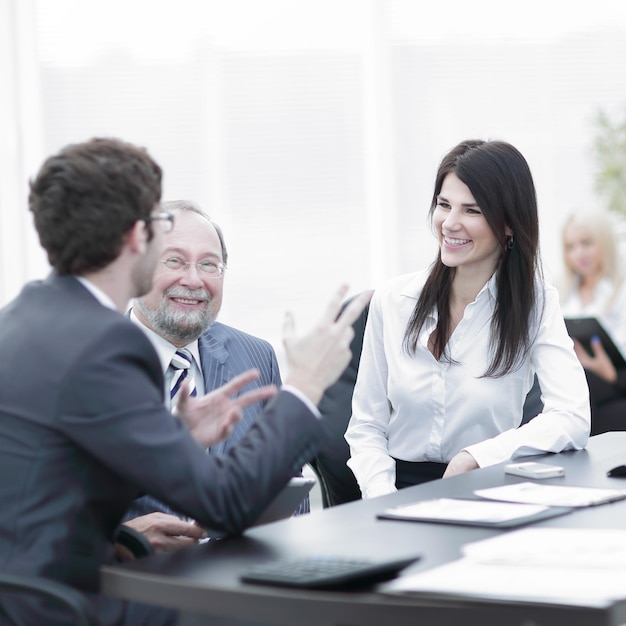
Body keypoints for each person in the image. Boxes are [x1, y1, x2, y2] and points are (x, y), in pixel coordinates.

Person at [0, 137, 369, 626]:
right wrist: (305, 386)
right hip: (76, 605)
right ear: (138, 238)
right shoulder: (106, 344)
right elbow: (227, 503)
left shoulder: (20, 318)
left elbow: (53, 477)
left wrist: (173, 438)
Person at [345, 139, 591, 499]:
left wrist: (476, 457)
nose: (450, 223)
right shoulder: (393, 301)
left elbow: (572, 417)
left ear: (508, 225)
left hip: (486, 487)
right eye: (444, 205)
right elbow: (366, 426)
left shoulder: (535, 303)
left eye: (472, 211)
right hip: (396, 492)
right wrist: (381, 496)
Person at [123, 200, 307, 552]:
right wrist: (122, 542)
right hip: (135, 588)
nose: (193, 280)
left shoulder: (255, 355)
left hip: (245, 580)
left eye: (209, 264)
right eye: (174, 260)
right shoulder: (85, 364)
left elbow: (289, 486)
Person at [559, 209, 626, 434]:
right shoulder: (561, 293)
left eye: (586, 243)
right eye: (570, 246)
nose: (578, 253)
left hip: (611, 383)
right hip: (569, 382)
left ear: (604, 242)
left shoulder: (620, 291)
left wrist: (611, 374)